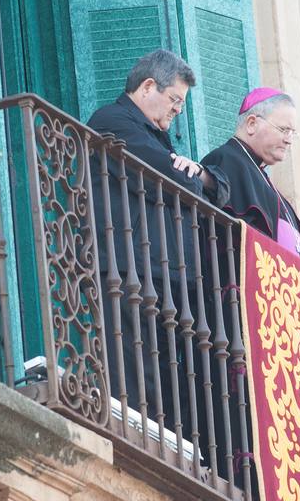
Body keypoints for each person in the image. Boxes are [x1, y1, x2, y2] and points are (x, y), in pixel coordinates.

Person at [86, 50, 228, 446]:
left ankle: (167, 444)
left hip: (156, 272)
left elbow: (205, 184)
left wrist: (198, 175)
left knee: (161, 372)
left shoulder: (153, 135)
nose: (178, 112)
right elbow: (172, 178)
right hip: (125, 266)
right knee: (132, 365)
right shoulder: (112, 120)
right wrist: (191, 177)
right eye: (175, 101)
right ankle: (133, 441)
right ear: (149, 87)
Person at [201, 88, 300, 256]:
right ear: (251, 124)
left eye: (292, 133)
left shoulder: (259, 173)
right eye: (284, 130)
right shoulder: (226, 160)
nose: (288, 140)